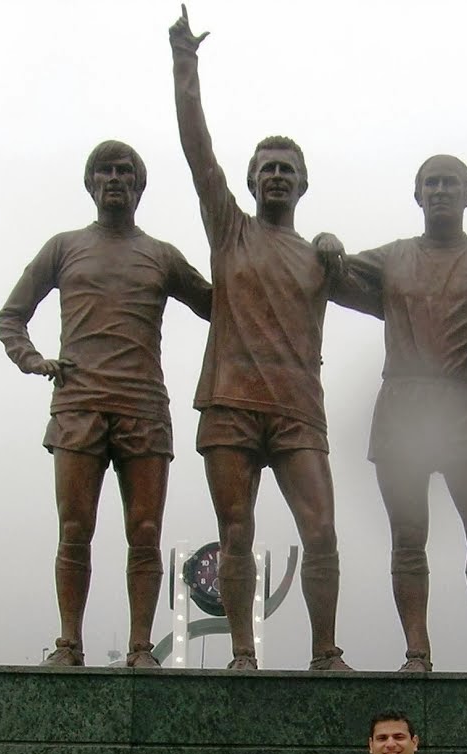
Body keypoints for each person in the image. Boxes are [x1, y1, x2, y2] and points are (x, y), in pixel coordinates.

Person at [169, 5, 354, 670]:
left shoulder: (322, 258)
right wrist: (185, 65)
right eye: (266, 168)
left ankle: (325, 651)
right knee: (236, 535)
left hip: (298, 410)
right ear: (250, 183)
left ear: (303, 183)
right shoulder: (230, 229)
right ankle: (243, 654)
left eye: (286, 168)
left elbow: (394, 291)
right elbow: (198, 151)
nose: (275, 175)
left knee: (323, 532)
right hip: (231, 405)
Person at [324, 155, 467, 672]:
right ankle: (417, 653)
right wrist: (326, 247)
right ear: (417, 194)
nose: (440, 191)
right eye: (431, 183)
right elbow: (335, 280)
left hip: (464, 406)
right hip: (402, 411)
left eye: (450, 183)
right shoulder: (393, 259)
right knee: (408, 538)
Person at [0, 140, 211, 668]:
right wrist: (31, 359)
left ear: (139, 185)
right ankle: (69, 642)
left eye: (124, 171)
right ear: (91, 183)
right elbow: (12, 315)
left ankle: (142, 647)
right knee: (74, 527)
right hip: (79, 404)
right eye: (104, 171)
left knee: (144, 532)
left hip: (143, 406)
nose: (114, 178)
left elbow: (219, 307)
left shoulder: (161, 255)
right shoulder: (64, 247)